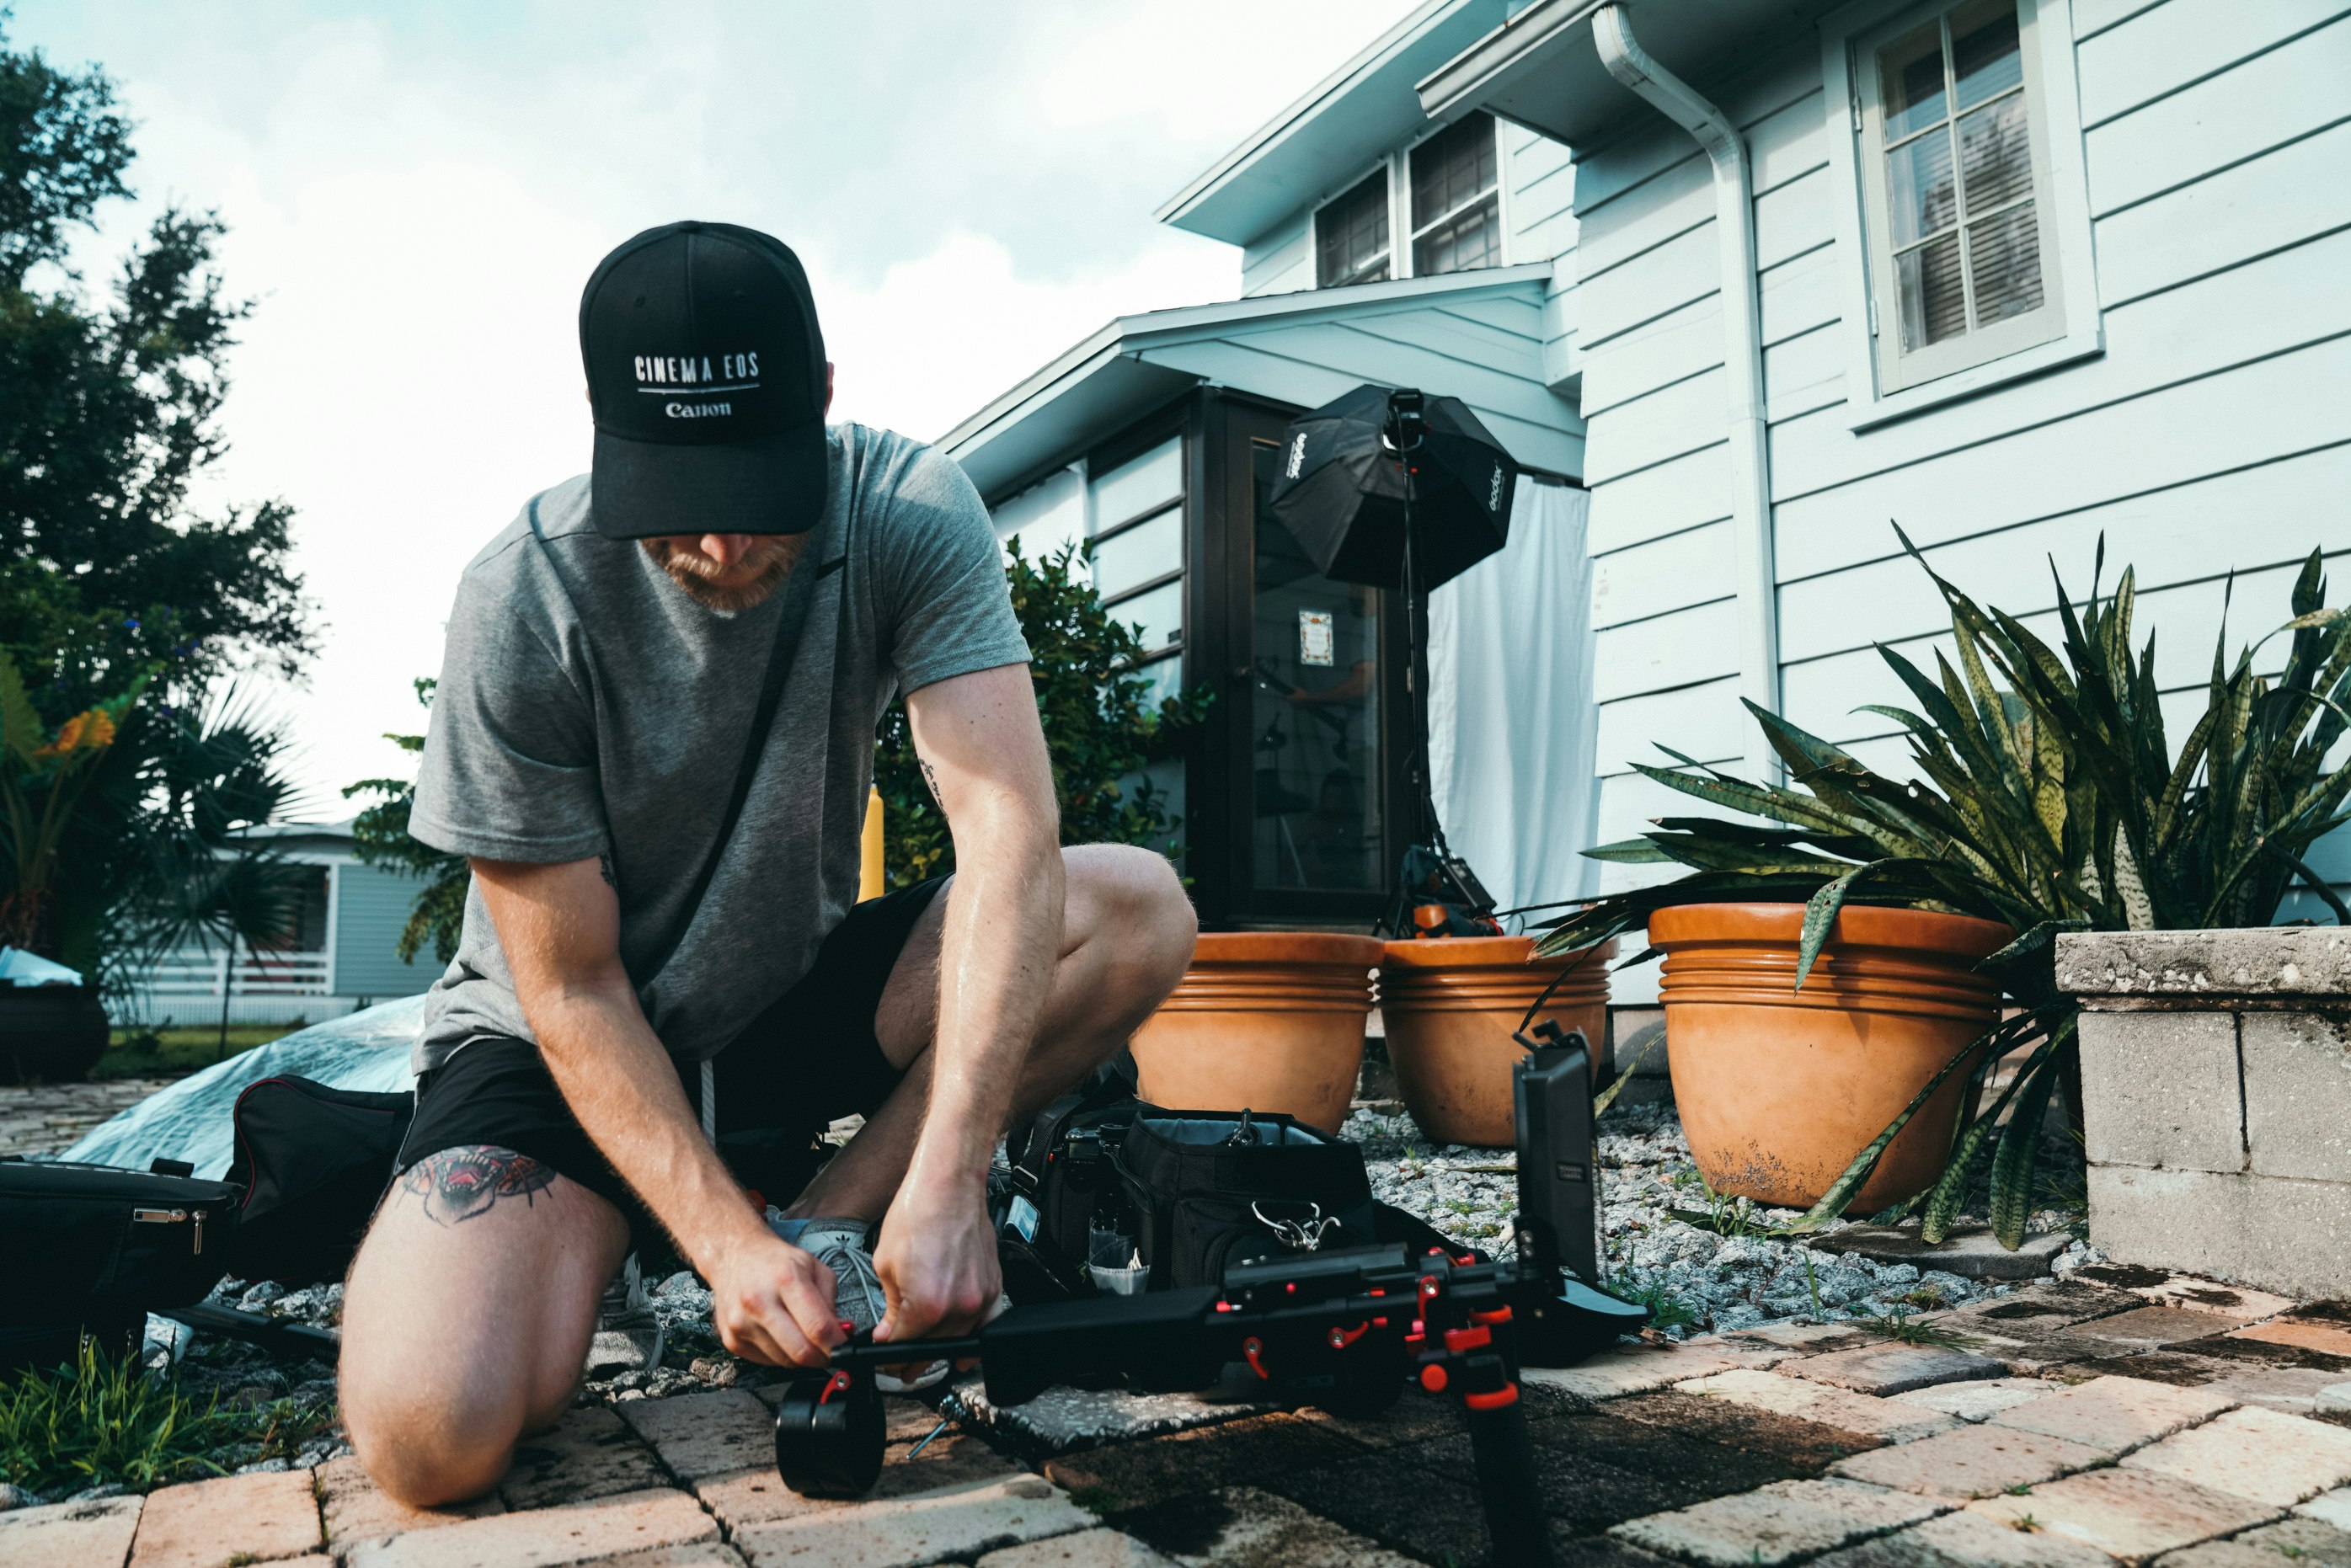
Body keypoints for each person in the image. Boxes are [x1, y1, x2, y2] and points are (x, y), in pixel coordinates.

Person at [338, 221, 1197, 1506]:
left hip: (786, 995)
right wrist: (714, 1239)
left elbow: (1008, 829)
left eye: (759, 491)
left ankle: (829, 1224)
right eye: (686, 501)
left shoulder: (907, 509)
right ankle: (668, 1234)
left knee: (1130, 904)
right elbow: (569, 987)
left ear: (825, 399)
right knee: (430, 1434)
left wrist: (952, 1174)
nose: (728, 549)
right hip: (559, 1047)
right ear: (604, 429)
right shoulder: (522, 598)